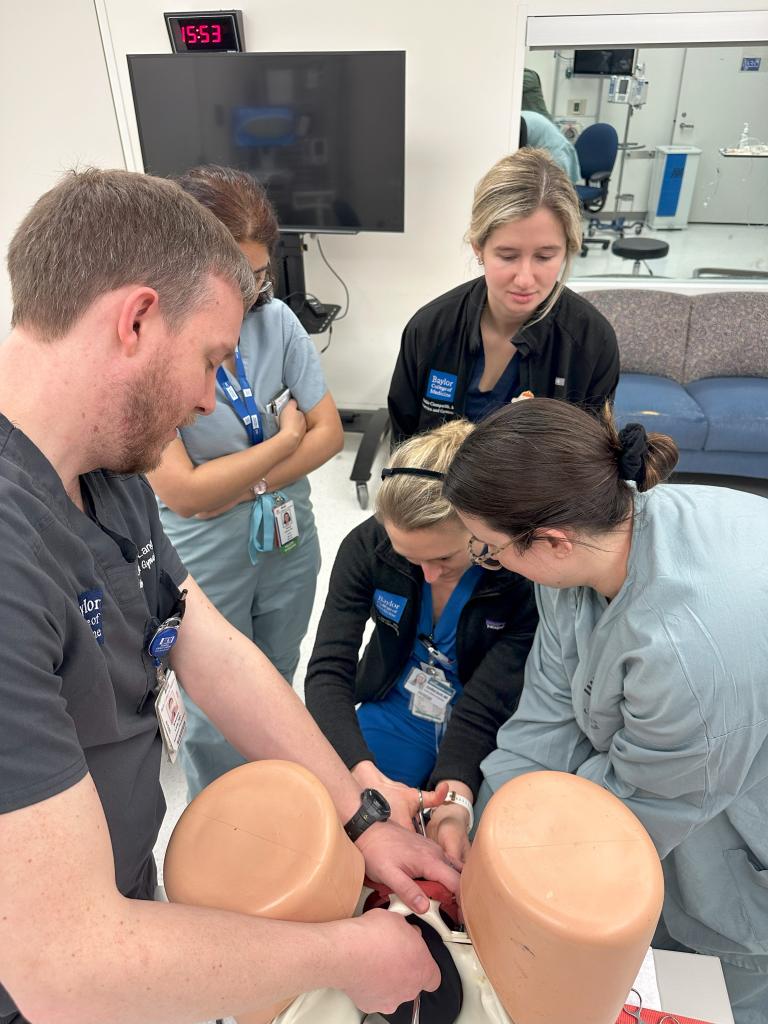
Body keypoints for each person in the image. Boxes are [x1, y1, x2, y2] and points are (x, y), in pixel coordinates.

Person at [0, 168, 459, 1024]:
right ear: (136, 320)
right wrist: (343, 959)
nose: (215, 395)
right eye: (211, 358)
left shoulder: (103, 470)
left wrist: (360, 815)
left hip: (122, 897)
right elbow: (66, 967)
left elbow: (207, 646)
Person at [442, 397, 768, 1024]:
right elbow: (545, 716)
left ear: (553, 540)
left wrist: (506, 885)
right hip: (676, 784)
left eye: (488, 549)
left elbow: (629, 814)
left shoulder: (686, 650)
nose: (489, 562)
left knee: (716, 985)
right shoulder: (592, 542)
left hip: (736, 842)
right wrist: (488, 834)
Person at [147, 165, 343, 799]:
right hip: (206, 552)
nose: (253, 290)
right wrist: (286, 442)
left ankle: (277, 799)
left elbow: (331, 435)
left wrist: (235, 485)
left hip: (287, 532)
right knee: (214, 705)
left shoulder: (276, 320)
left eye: (262, 272)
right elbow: (182, 493)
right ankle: (226, 818)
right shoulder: (156, 342)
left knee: (275, 676)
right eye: (238, 274)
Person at [305, 421, 538, 864]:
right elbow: (328, 672)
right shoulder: (366, 548)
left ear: (481, 531)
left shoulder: (521, 575)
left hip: (491, 716)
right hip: (398, 703)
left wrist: (457, 799)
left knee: (488, 851)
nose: (427, 575)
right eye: (409, 558)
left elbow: (489, 704)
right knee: (345, 832)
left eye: (444, 559)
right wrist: (363, 774)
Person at [387, 148, 619, 445]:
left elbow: (589, 462)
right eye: (507, 256)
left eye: (545, 256)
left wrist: (615, 460)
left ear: (568, 248)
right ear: (478, 247)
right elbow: (403, 448)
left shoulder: (591, 343)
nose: (524, 279)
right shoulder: (429, 330)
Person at [521, 113, 580, 182]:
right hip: (540, 141)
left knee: (553, 187)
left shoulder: (517, 124)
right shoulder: (512, 119)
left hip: (554, 150)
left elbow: (518, 156)